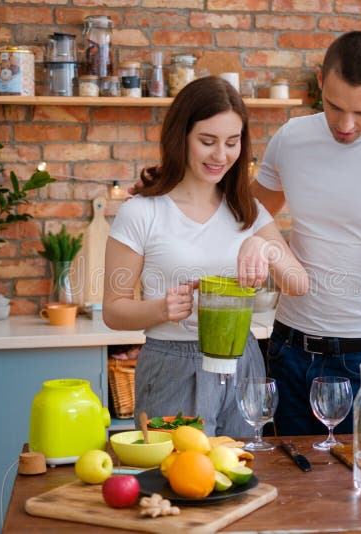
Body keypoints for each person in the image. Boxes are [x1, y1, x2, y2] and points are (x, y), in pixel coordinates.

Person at [237, 31, 361, 441]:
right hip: (289, 353)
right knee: (294, 495)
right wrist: (167, 194)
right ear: (319, 80)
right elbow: (245, 214)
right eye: (334, 106)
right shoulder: (291, 139)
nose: (346, 125)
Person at [103, 76, 308, 438]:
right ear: (180, 136)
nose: (221, 156)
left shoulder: (247, 209)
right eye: (207, 141)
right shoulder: (142, 212)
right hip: (172, 364)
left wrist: (263, 245)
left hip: (243, 363)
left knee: (242, 477)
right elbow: (113, 310)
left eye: (232, 143)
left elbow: (298, 283)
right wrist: (160, 309)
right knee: (176, 481)